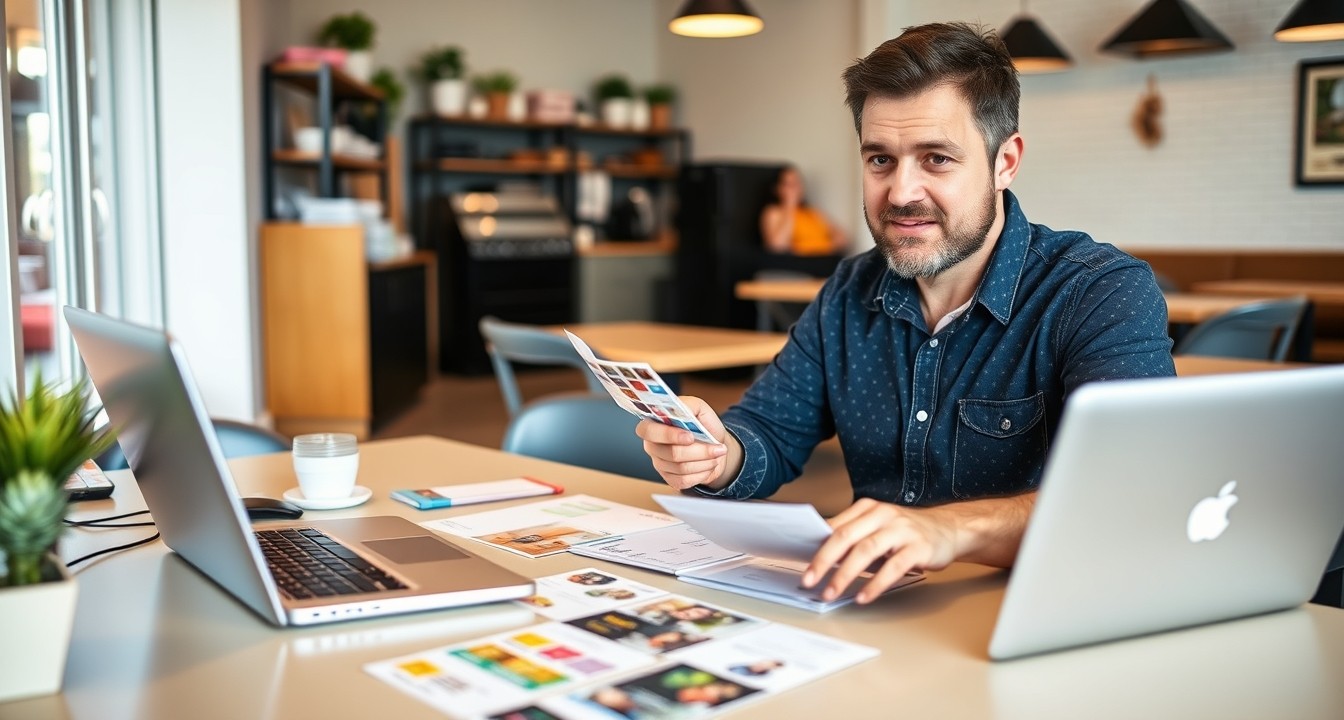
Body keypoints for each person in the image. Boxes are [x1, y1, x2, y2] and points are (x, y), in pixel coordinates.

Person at [637, 23, 1174, 606]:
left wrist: (948, 529)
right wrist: (716, 453)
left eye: (937, 159)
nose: (900, 192)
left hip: (1034, 609)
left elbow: (1135, 489)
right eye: (880, 160)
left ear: (1005, 162)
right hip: (871, 611)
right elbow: (768, 433)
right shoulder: (849, 289)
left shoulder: (1098, 290)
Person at [759, 165, 848, 256]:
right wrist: (790, 206)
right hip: (796, 262)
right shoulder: (774, 212)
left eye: (797, 183)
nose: (795, 188)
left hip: (823, 259)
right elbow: (777, 246)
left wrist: (823, 247)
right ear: (777, 189)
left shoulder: (812, 212)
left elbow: (843, 239)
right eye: (789, 184)